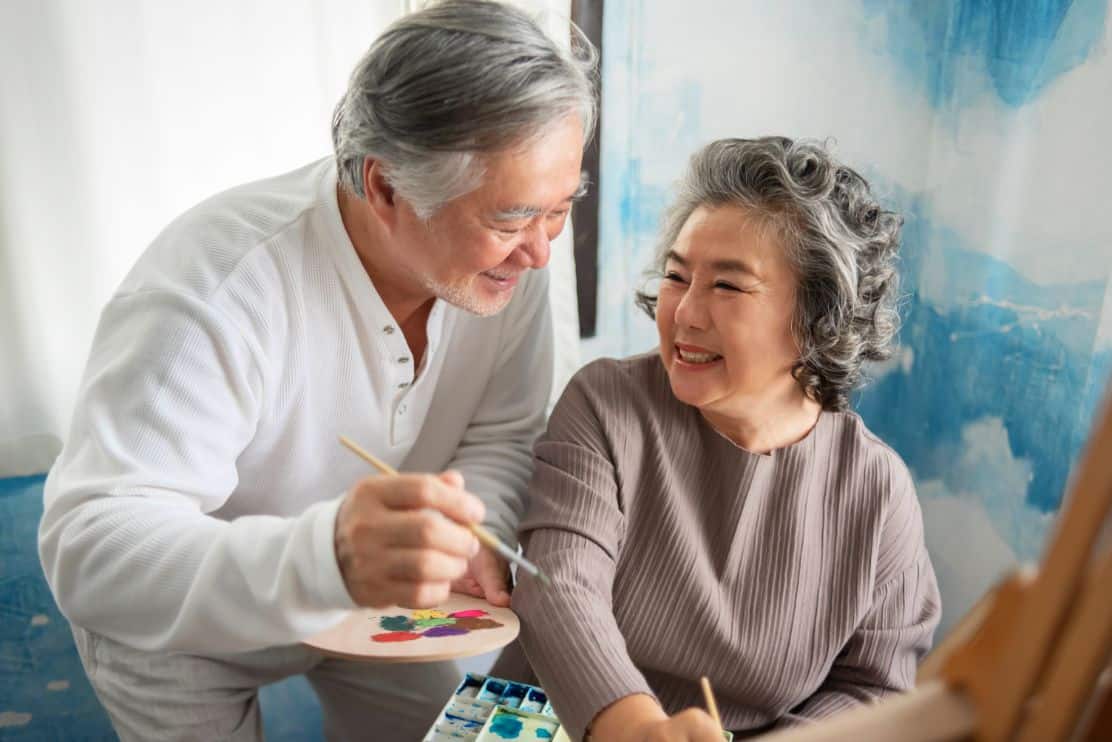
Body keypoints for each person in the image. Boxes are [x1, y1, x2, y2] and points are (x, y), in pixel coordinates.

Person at [37, 1, 597, 739]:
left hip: (380, 601)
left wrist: (468, 537)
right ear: (386, 187)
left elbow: (500, 430)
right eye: (511, 219)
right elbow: (88, 547)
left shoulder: (505, 270)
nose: (539, 253)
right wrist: (325, 559)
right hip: (179, 626)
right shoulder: (217, 288)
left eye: (559, 210)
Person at [508, 137, 941, 741]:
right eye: (676, 276)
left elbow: (872, 686)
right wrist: (633, 727)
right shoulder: (606, 405)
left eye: (728, 287)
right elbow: (558, 585)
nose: (684, 312)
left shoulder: (877, 490)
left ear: (819, 318)